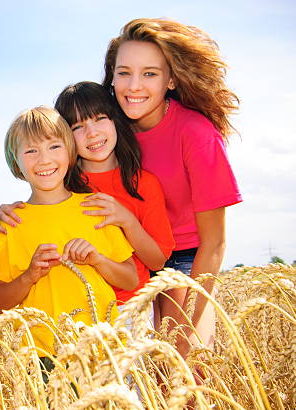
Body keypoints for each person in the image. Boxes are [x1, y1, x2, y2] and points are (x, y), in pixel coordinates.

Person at [102, 18, 242, 354]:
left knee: (184, 375)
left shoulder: (196, 133)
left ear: (172, 79)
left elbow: (215, 243)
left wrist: (190, 324)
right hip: (127, 260)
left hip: (185, 262)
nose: (134, 85)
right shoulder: (107, 130)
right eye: (124, 72)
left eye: (149, 73)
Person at [0, 83, 175, 324]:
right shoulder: (65, 183)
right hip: (73, 316)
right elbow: (42, 212)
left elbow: (157, 261)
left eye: (100, 118)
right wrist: (1, 213)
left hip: (130, 307)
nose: (91, 133)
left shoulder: (143, 184)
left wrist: (126, 219)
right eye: (77, 126)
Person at [0, 106, 137, 357]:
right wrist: (29, 276)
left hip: (101, 351)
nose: (44, 159)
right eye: (31, 151)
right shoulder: (11, 223)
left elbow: (131, 279)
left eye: (54, 147)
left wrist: (98, 260)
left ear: (70, 152)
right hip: (39, 358)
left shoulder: (95, 207)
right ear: (16, 161)